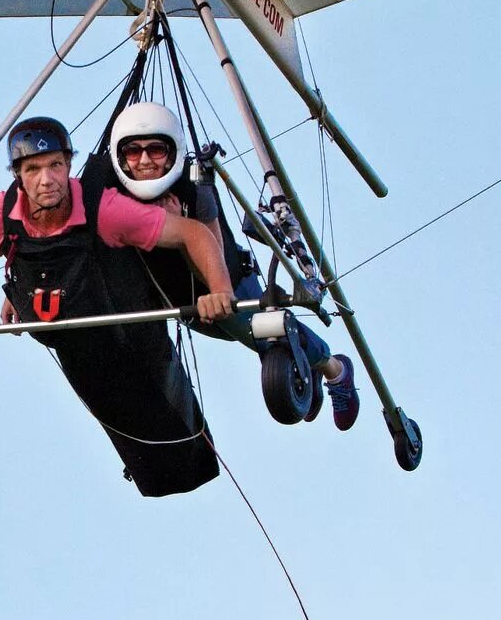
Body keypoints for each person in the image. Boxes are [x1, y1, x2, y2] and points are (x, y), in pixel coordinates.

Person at [0, 115, 226, 497]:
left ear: (68, 165)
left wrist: (219, 289)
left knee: (168, 420)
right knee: (124, 424)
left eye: (55, 166)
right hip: (73, 342)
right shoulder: (0, 215)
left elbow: (192, 234)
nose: (46, 179)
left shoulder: (104, 209)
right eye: (33, 170)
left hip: (128, 334)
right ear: (17, 175)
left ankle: (192, 459)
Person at [102, 101, 362, 431]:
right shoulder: (110, 191)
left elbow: (209, 241)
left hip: (226, 286)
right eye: (133, 152)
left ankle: (335, 371)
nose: (143, 161)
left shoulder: (191, 185)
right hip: (178, 299)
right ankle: (304, 364)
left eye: (155, 150)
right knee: (260, 342)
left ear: (172, 152)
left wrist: (179, 227)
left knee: (266, 338)